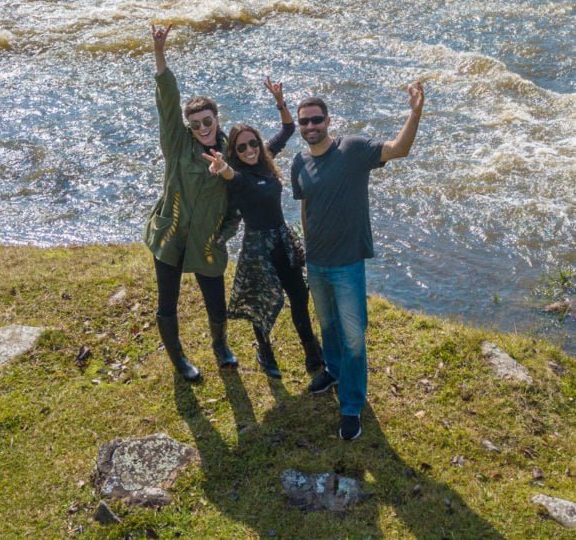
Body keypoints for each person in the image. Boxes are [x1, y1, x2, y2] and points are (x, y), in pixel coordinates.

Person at [291, 83, 425, 441]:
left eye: (316, 119)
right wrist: (307, 250)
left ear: (328, 120)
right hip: (317, 263)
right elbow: (306, 205)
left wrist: (414, 113)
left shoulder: (351, 149)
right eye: (304, 122)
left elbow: (400, 149)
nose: (310, 126)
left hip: (348, 263)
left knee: (353, 338)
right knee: (329, 328)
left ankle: (351, 405)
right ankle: (333, 371)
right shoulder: (299, 161)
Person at [203, 78, 323, 380]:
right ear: (234, 150)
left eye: (253, 143)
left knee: (299, 294)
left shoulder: (265, 157)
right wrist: (224, 168)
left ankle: (311, 348)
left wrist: (280, 101)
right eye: (241, 147)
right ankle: (264, 349)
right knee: (261, 300)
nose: (249, 149)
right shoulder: (238, 175)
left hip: (282, 239)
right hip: (258, 247)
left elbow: (288, 130)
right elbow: (233, 176)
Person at [143, 24, 240, 382]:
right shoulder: (177, 144)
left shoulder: (232, 152)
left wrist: (223, 234)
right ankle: (180, 360)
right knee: (167, 302)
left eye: (207, 121)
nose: (202, 127)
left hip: (207, 240)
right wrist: (159, 51)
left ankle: (220, 346)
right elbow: (168, 99)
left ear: (217, 119)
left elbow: (238, 204)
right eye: (195, 123)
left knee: (216, 299)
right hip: (170, 233)